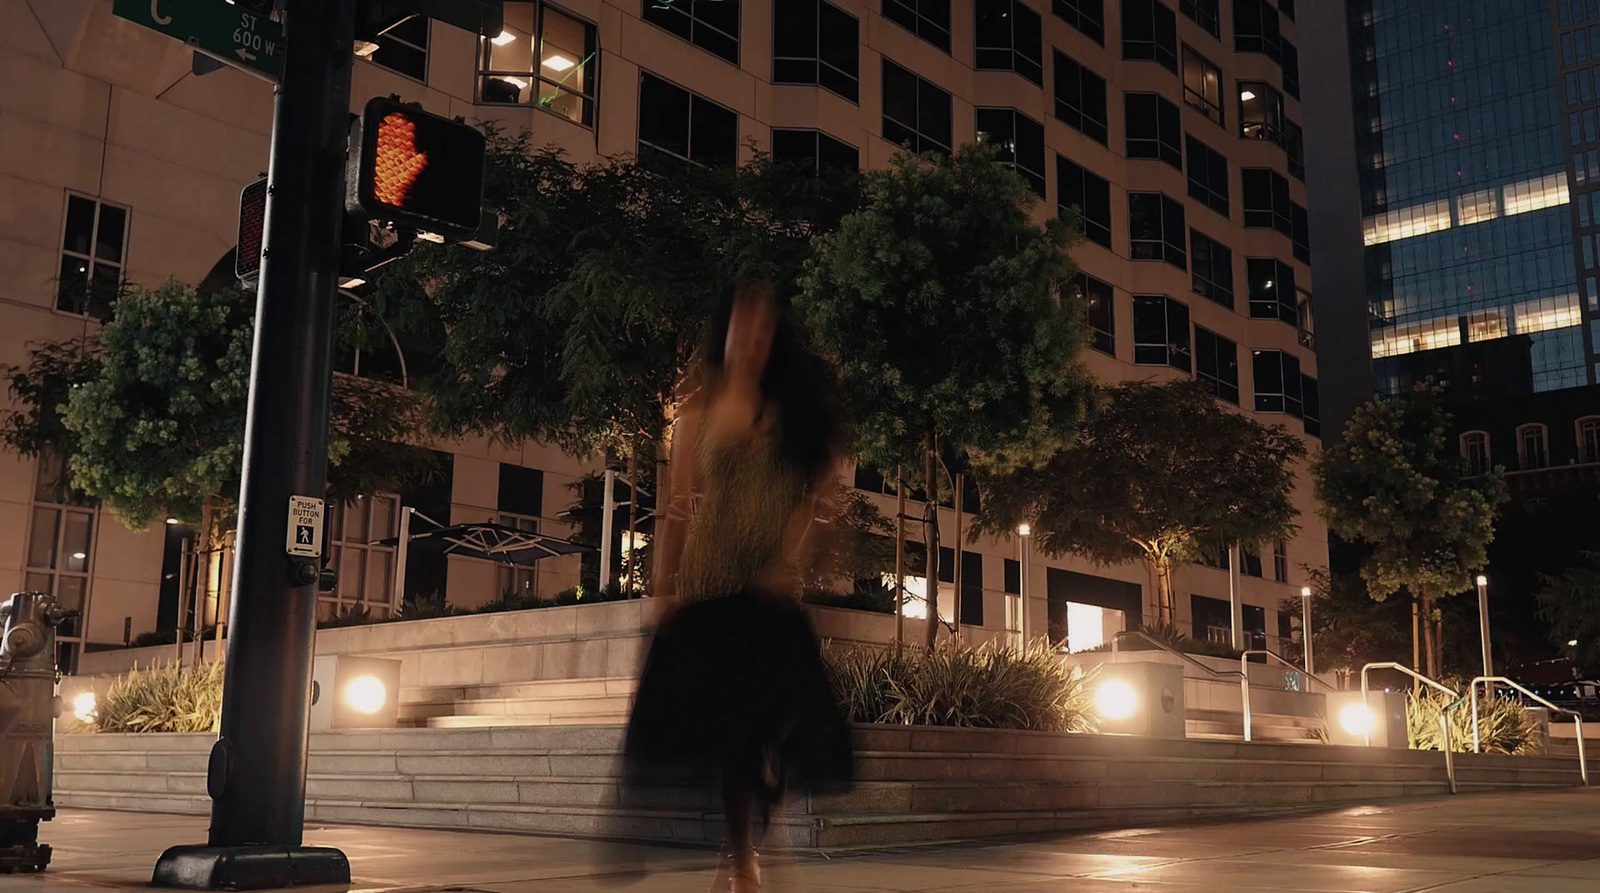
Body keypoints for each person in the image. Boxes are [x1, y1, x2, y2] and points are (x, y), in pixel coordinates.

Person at [616, 280, 854, 893]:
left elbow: (817, 500)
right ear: (723, 336)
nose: (750, 340)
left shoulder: (792, 418)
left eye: (762, 331)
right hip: (708, 584)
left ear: (774, 341)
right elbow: (676, 509)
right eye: (740, 329)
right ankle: (741, 852)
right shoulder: (693, 419)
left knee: (774, 724)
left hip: (768, 590)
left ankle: (764, 825)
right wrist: (662, 587)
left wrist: (789, 562)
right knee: (728, 729)